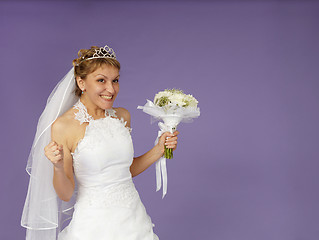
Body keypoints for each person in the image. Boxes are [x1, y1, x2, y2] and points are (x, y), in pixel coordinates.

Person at [21, 45, 179, 240]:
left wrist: (159, 149)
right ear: (81, 82)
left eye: (115, 81)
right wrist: (58, 167)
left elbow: (124, 170)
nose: (111, 89)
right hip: (93, 226)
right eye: (101, 81)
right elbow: (65, 194)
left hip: (134, 219)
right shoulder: (64, 126)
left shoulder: (122, 116)